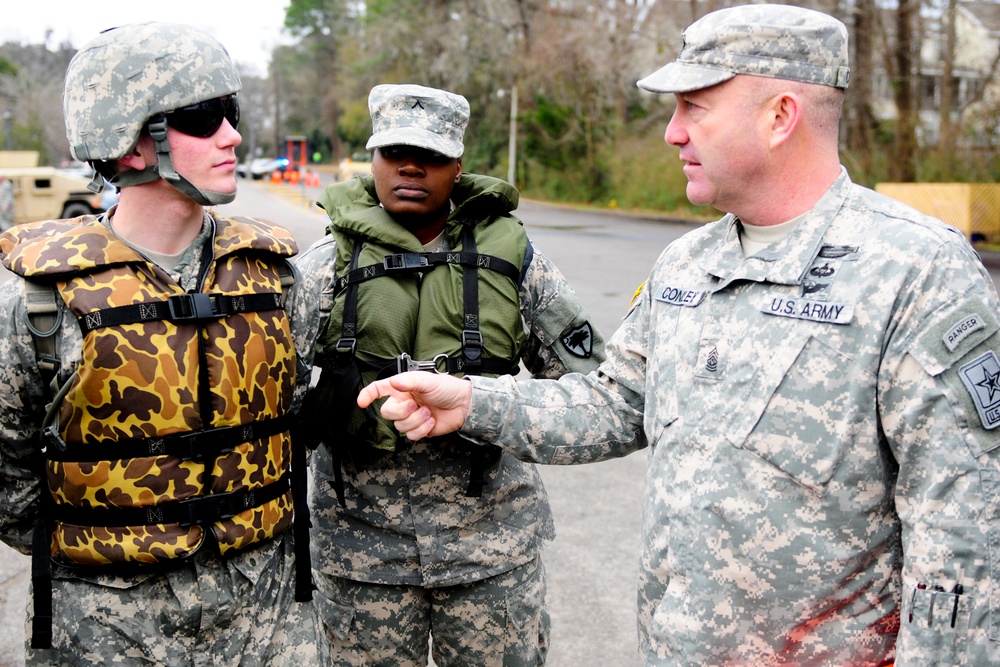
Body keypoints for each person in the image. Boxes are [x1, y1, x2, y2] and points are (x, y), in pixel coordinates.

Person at [356, 5, 1000, 666]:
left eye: (694, 107)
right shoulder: (687, 265)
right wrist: (470, 402)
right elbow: (613, 404)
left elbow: (965, 540)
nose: (672, 132)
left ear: (780, 116)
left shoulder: (918, 273)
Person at [0, 22, 320, 664]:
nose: (231, 135)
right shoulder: (39, 300)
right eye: (203, 118)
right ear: (131, 144)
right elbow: (9, 479)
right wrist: (118, 538)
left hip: (266, 625)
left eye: (230, 113)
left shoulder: (277, 276)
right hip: (107, 632)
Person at [292, 83, 605, 666]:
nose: (411, 166)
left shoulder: (513, 260)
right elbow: (271, 402)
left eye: (432, 155)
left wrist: (491, 402)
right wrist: (328, 401)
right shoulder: (326, 264)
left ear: (458, 166)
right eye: (394, 152)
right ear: (373, 159)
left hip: (492, 551)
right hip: (362, 557)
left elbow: (592, 393)